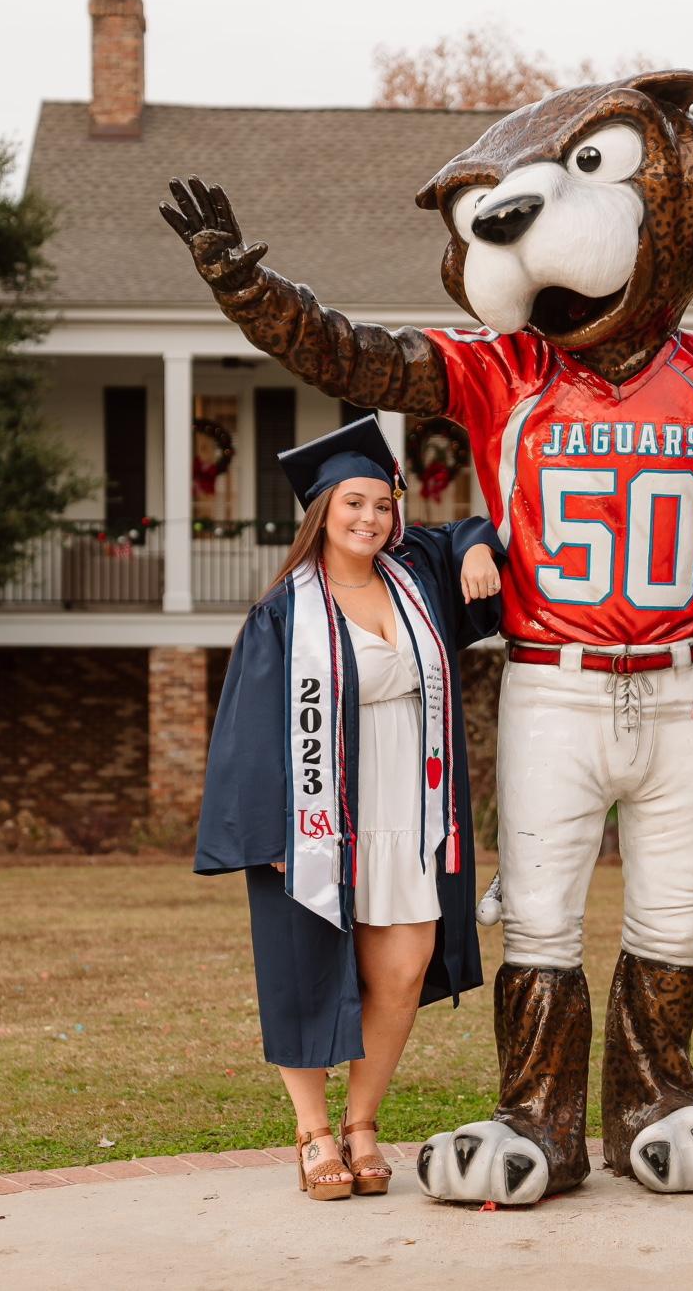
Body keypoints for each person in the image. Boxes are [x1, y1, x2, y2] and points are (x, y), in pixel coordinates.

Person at [194, 414, 503, 1201]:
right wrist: (267, 833)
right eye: (352, 504)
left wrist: (471, 547)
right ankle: (313, 1132)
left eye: (381, 504)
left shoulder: (417, 572)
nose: (369, 519)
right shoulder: (283, 614)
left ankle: (364, 1121)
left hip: (412, 802)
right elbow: (246, 730)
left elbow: (475, 524)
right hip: (316, 813)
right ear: (321, 513)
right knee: (304, 970)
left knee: (402, 969)